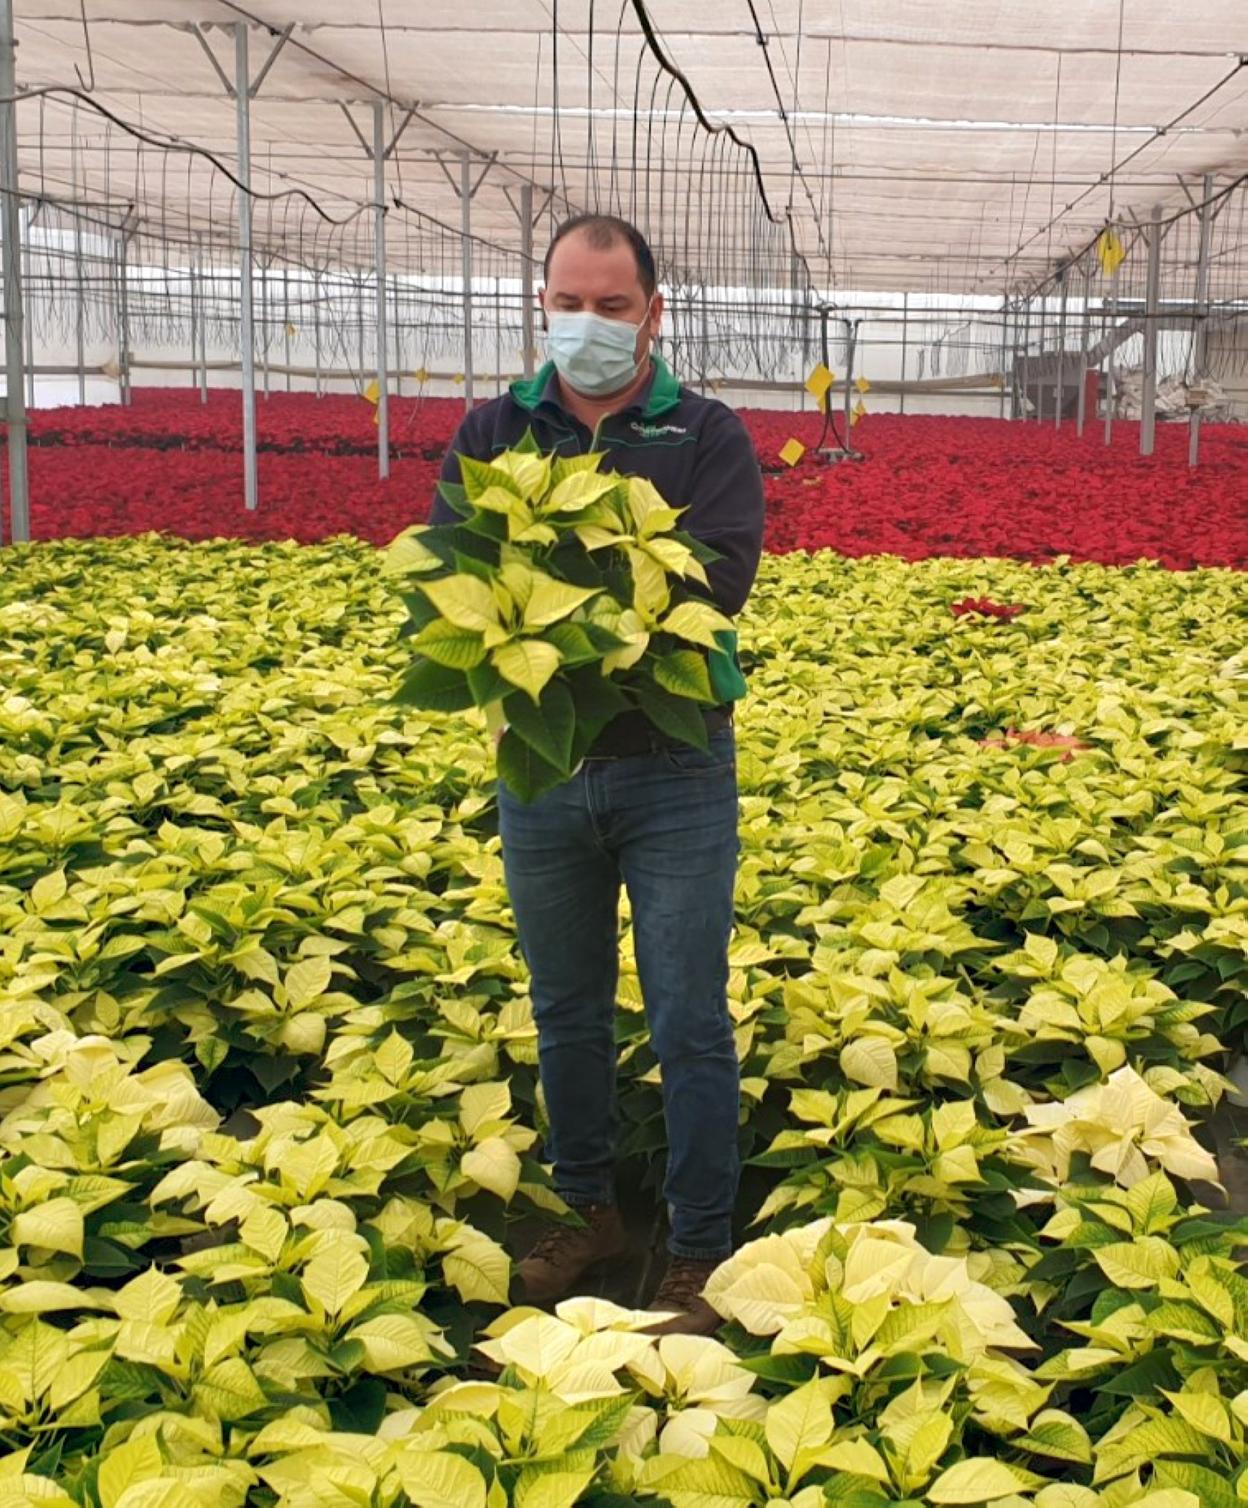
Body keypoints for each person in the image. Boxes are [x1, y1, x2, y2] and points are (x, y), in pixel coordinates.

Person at [430, 214, 764, 1335]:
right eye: (567, 302)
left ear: (652, 313)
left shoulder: (705, 433)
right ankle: (588, 1210)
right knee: (566, 1008)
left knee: (687, 1016)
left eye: (611, 307)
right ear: (544, 303)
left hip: (675, 768)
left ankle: (701, 1241)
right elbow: (448, 564)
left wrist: (568, 577)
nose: (587, 325)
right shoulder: (494, 426)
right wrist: (570, 598)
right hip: (543, 767)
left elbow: (716, 584)